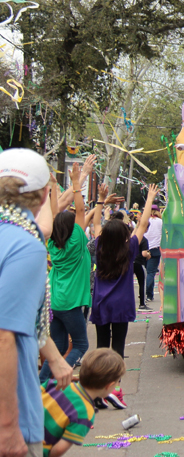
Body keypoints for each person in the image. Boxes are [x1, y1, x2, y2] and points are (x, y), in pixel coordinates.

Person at [0, 148, 73, 457]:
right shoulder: (26, 245)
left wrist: (54, 358)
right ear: (45, 193)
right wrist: (7, 429)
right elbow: (4, 335)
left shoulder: (16, 234)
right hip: (12, 410)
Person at [39, 157, 97, 384]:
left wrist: (54, 186)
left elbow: (53, 214)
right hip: (72, 303)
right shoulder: (77, 240)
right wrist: (76, 183)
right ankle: (54, 377)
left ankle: (42, 385)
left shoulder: (52, 243)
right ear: (74, 228)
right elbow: (80, 209)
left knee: (60, 345)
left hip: (54, 302)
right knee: (81, 345)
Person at [92, 184, 159, 362]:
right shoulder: (129, 248)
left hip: (101, 302)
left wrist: (101, 199)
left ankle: (100, 382)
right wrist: (150, 199)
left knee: (101, 346)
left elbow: (96, 223)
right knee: (118, 347)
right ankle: (115, 383)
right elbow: (143, 224)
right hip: (121, 303)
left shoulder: (100, 246)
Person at [41, 348, 125, 457]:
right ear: (109, 386)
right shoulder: (85, 413)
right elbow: (59, 449)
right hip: (35, 449)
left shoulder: (57, 383)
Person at [144, 205, 162, 302]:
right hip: (155, 249)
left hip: (143, 248)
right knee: (151, 273)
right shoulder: (161, 222)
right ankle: (149, 294)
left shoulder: (145, 220)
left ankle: (144, 293)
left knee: (144, 272)